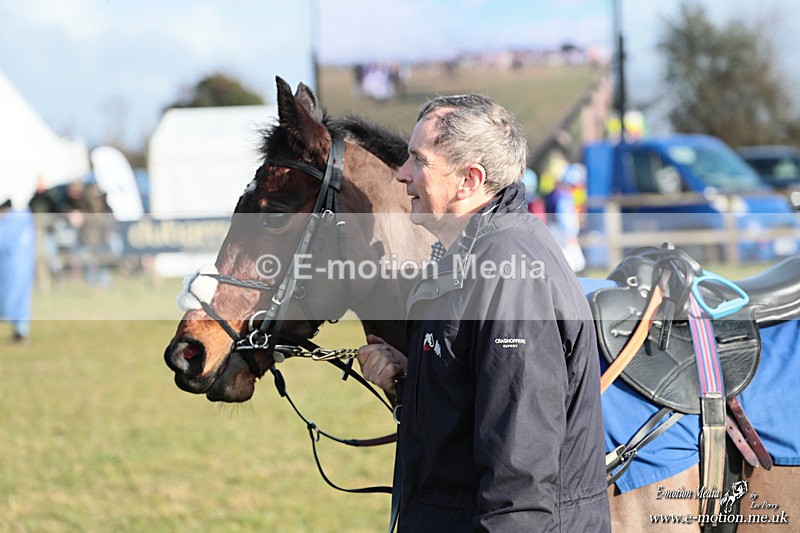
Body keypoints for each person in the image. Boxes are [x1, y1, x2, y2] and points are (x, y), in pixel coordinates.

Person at [357, 94, 610, 531]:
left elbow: (520, 486)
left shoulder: (512, 279)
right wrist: (413, 375)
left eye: (418, 160)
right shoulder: (465, 257)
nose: (401, 175)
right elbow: (476, 395)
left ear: (469, 180)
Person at [0, 199, 36, 342]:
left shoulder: (12, 223)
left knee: (14, 294)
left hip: (12, 266)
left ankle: (20, 331)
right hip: (22, 265)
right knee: (20, 294)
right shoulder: (24, 220)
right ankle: (21, 330)